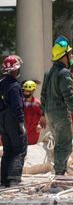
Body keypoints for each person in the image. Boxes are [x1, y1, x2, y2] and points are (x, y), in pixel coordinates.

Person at [41, 36, 73, 175]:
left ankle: (59, 172)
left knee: (58, 144)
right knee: (64, 144)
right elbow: (69, 96)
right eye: (69, 54)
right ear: (63, 56)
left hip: (50, 113)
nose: (71, 56)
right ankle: (59, 174)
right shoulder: (64, 73)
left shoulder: (49, 72)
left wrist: (43, 114)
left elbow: (43, 95)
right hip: (60, 113)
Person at [0, 55, 27, 187]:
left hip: (2, 119)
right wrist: (21, 123)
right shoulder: (15, 86)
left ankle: (4, 180)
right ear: (16, 70)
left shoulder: (1, 83)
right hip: (12, 119)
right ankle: (14, 180)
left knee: (7, 149)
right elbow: (17, 106)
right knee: (18, 149)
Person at [22, 80, 45, 145]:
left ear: (32, 91)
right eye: (25, 91)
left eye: (28, 91)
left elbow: (43, 116)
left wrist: (40, 125)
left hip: (33, 132)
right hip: (23, 130)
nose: (25, 93)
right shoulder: (21, 102)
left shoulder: (37, 104)